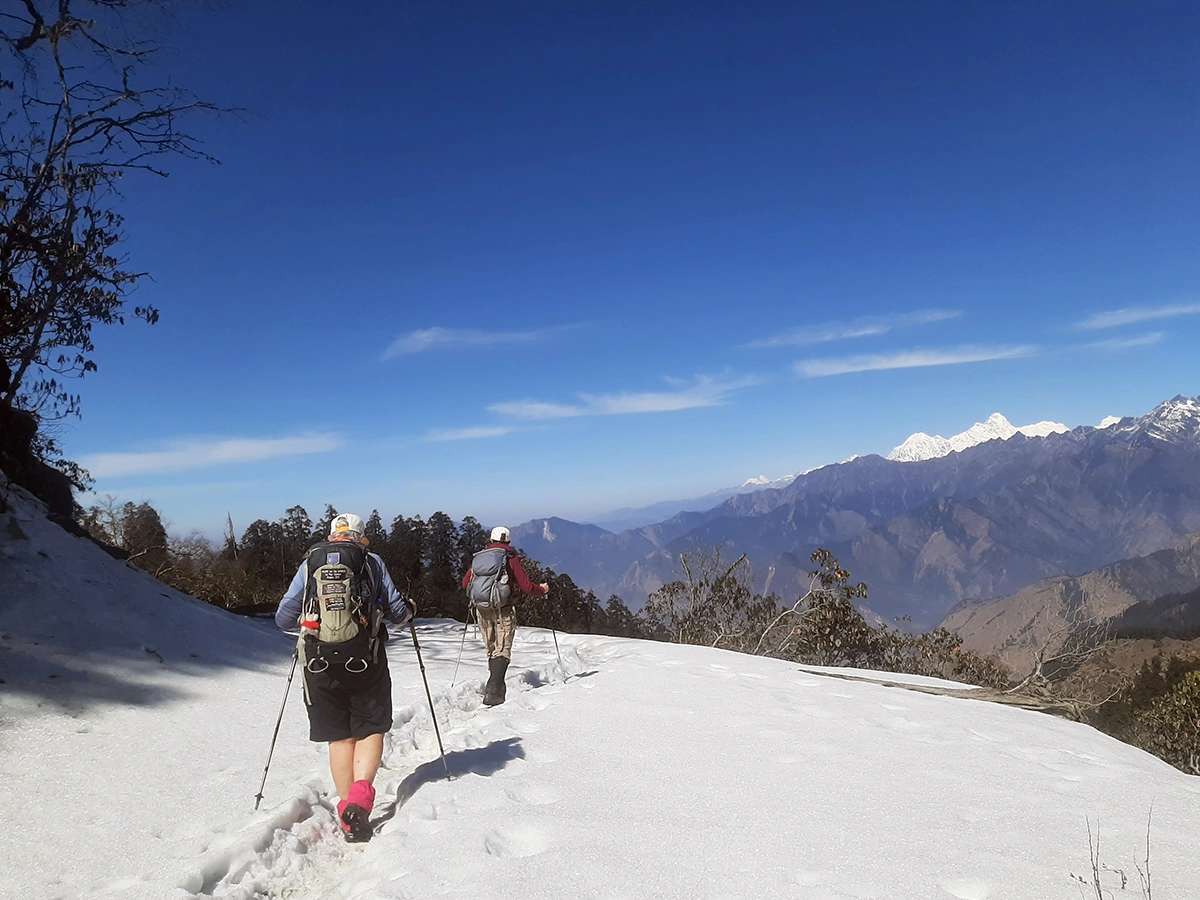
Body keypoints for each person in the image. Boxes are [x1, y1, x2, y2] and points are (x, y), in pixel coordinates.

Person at [275, 512, 413, 842]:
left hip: (319, 666)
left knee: (340, 738)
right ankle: (361, 804)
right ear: (360, 536)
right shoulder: (371, 561)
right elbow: (396, 612)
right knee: (369, 728)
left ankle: (347, 815)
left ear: (332, 534)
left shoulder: (311, 562)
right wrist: (409, 609)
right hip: (366, 661)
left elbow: (283, 618)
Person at [461, 525, 549, 706]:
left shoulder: (480, 558)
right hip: (503, 609)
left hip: (481, 608)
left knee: (492, 648)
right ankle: (494, 691)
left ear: (490, 540)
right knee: (502, 649)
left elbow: (465, 583)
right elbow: (526, 585)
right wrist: (542, 590)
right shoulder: (509, 557)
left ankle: (494, 687)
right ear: (508, 541)